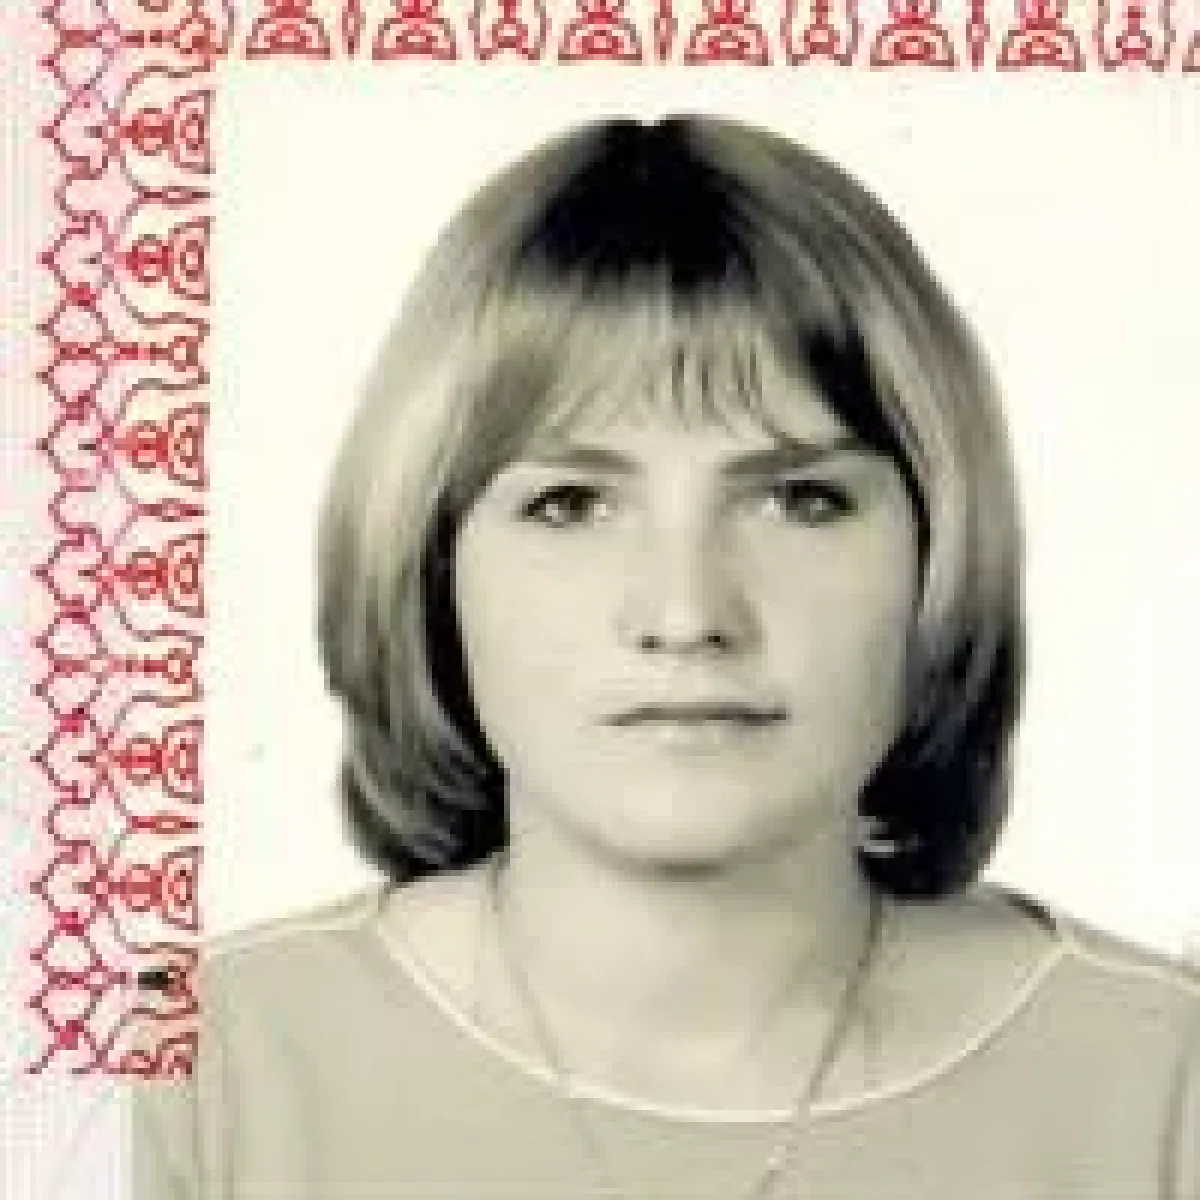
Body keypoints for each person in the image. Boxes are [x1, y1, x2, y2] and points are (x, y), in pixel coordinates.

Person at [131, 115, 1199, 1199]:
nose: (687, 614)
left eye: (800, 499)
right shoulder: (188, 1085)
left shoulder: (1168, 1086)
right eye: (571, 504)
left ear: (939, 548)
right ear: (432, 562)